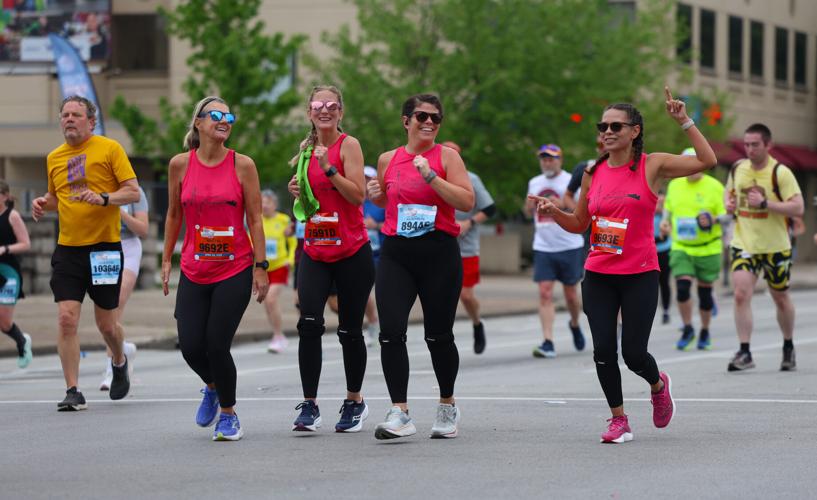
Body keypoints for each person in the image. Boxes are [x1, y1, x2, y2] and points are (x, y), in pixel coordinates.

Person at [529, 87, 717, 443]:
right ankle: (618, 419)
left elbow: (707, 161)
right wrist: (555, 212)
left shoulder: (653, 165)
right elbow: (580, 224)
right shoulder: (591, 172)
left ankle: (658, 385)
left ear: (635, 131)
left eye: (617, 126)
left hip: (640, 274)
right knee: (602, 350)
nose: (608, 132)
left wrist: (684, 121)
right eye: (603, 127)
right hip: (599, 274)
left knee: (632, 353)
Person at [366, 93, 474, 440]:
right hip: (397, 252)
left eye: (435, 118)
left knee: (438, 335)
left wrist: (432, 178)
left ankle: (447, 404)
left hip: (438, 253)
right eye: (421, 116)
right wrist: (375, 195)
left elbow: (467, 201)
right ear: (405, 121)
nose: (428, 123)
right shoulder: (388, 159)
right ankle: (400, 411)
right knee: (390, 331)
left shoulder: (447, 157)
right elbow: (387, 199)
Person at [161, 96, 269, 441]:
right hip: (194, 268)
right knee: (191, 346)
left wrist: (261, 265)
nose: (225, 120)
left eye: (229, 115)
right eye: (217, 115)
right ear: (199, 123)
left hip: (234, 267)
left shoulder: (243, 165)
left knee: (217, 344)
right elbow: (174, 214)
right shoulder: (180, 164)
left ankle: (228, 414)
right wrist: (166, 259)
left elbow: (255, 217)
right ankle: (212, 385)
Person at [32, 95, 140, 411]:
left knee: (107, 325)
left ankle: (119, 360)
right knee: (66, 318)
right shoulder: (54, 157)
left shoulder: (109, 149)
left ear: (90, 122)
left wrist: (104, 198)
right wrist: (43, 203)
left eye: (75, 114)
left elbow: (132, 191)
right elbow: (58, 198)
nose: (68, 119)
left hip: (104, 249)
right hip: (68, 250)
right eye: (64, 114)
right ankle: (73, 390)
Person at [286, 85, 375, 433]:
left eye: (332, 106)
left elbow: (357, 196)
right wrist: (298, 190)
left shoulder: (347, 146)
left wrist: (330, 170)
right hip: (315, 250)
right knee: (309, 324)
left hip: (352, 251)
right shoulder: (307, 149)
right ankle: (309, 404)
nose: (325, 111)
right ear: (309, 112)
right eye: (318, 105)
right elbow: (312, 202)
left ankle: (355, 401)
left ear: (341, 111)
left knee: (350, 330)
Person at [724, 123, 804, 372]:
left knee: (780, 297)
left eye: (755, 144)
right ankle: (745, 351)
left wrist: (766, 203)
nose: (749, 149)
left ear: (768, 145)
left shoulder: (780, 173)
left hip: (775, 246)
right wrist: (729, 203)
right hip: (744, 243)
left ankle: (788, 345)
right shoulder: (738, 168)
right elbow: (729, 197)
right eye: (746, 144)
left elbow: (798, 208)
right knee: (740, 294)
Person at [662, 147, 726, 351]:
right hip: (682, 247)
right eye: (687, 161)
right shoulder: (674, 184)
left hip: (708, 247)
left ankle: (705, 330)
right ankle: (688, 327)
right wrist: (664, 222)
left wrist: (713, 219)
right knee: (682, 289)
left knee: (705, 295)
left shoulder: (715, 186)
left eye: (695, 161)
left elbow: (728, 215)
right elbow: (668, 210)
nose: (691, 166)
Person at [525, 143, 586, 358]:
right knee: (545, 293)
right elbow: (527, 211)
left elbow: (582, 211)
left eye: (551, 158)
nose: (547, 162)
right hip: (543, 246)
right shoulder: (535, 182)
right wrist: (531, 206)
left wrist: (561, 205)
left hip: (569, 245)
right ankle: (548, 341)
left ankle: (575, 323)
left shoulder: (571, 180)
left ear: (560, 160)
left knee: (570, 295)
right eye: (543, 158)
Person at [443, 141, 496, 354]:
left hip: (465, 247)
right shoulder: (430, 177)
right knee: (443, 296)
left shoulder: (471, 179)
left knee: (465, 295)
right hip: (440, 247)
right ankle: (444, 338)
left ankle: (477, 323)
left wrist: (469, 222)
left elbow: (490, 209)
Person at [99, 185, 147, 390]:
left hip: (128, 246)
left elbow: (143, 229)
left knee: (115, 303)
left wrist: (118, 210)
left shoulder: (135, 191)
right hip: (103, 248)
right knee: (106, 313)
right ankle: (124, 348)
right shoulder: (97, 188)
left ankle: (113, 369)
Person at [0, 180, 32, 369]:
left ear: (4, 196)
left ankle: (22, 343)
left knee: (4, 321)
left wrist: (5, 249)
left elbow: (25, 244)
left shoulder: (12, 216)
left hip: (8, 272)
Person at [260, 189, 296, 354]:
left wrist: (290, 259)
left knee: (271, 300)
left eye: (268, 202)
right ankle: (278, 335)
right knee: (267, 303)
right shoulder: (256, 221)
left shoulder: (283, 220)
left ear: (275, 204)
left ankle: (278, 336)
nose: (264, 205)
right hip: (263, 268)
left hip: (280, 264)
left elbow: (293, 241)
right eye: (262, 202)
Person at [362, 165, 385, 347]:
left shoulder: (381, 201)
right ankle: (372, 321)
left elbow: (395, 224)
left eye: (368, 179)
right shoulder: (353, 200)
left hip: (382, 254)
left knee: (384, 293)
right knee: (363, 291)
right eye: (362, 178)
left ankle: (386, 325)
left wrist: (376, 226)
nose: (365, 182)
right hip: (362, 253)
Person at [654, 191, 672, 325]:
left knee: (664, 282)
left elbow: (670, 225)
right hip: (650, 251)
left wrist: (662, 211)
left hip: (665, 249)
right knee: (651, 284)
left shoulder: (664, 215)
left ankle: (666, 310)